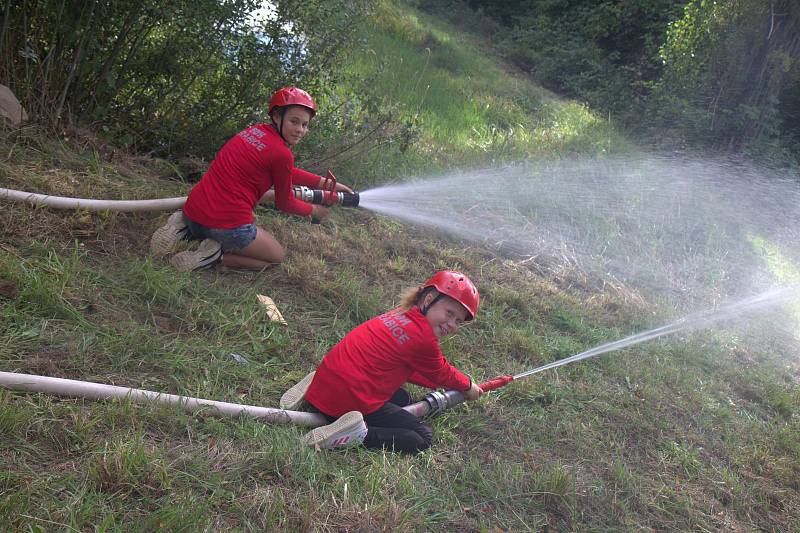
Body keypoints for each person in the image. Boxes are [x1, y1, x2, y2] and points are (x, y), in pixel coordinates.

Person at [150, 86, 353, 271]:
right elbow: (285, 203)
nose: (300, 129)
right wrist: (315, 210)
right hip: (226, 226)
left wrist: (325, 184)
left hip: (192, 211)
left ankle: (181, 228)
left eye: (305, 125)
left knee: (205, 220)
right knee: (275, 257)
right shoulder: (281, 153)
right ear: (276, 116)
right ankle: (213, 256)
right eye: (294, 121)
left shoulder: (254, 132)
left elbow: (286, 170)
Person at [280, 270, 484, 454]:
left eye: (458, 320)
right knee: (421, 437)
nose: (452, 324)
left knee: (402, 397)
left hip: (333, 376)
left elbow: (408, 368)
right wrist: (467, 385)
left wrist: (440, 384)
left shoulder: (402, 313)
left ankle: (316, 387)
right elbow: (442, 372)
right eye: (449, 313)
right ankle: (356, 433)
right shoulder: (423, 339)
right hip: (349, 398)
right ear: (428, 300)